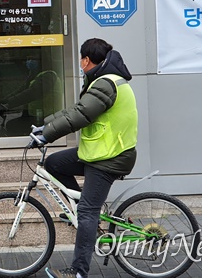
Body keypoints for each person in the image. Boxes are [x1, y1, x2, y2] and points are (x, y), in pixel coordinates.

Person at [35, 38, 138, 278]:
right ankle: (80, 209)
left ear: (86, 59)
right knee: (53, 164)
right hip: (99, 151)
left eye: (81, 58)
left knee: (87, 213)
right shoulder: (101, 80)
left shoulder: (106, 84)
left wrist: (46, 137)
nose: (80, 63)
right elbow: (76, 109)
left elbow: (81, 115)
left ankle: (78, 271)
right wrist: (45, 125)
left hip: (110, 157)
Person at [0, 54, 62, 136]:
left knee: (13, 126)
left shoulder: (49, 76)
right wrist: (4, 100)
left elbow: (32, 93)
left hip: (46, 116)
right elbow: (22, 89)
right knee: (14, 125)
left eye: (33, 58)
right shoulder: (35, 75)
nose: (29, 61)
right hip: (35, 114)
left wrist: (8, 105)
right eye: (28, 58)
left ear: (41, 61)